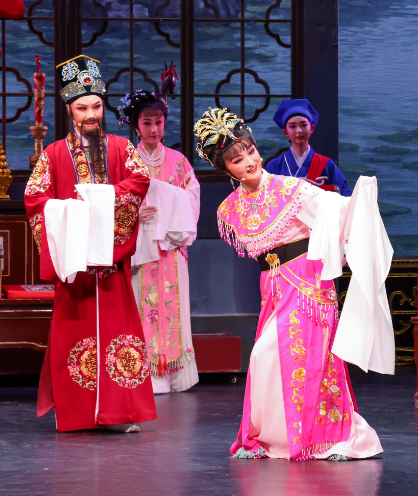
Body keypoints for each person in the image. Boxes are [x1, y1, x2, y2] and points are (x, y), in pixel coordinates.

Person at [195, 107, 393, 460]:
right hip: (273, 287)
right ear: (226, 170)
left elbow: (336, 212)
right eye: (238, 160)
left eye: (250, 152)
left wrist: (361, 200)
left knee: (308, 360)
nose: (250, 162)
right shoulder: (230, 209)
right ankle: (272, 438)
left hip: (307, 284)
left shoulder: (291, 189)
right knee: (267, 357)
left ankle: (335, 438)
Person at [25, 55, 155, 432]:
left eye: (96, 106)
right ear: (70, 109)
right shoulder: (53, 155)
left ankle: (120, 412)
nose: (90, 114)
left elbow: (140, 180)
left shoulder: (121, 148)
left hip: (111, 265)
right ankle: (78, 413)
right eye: (82, 108)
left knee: (119, 332)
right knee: (74, 335)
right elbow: (35, 198)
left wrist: (101, 200)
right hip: (75, 268)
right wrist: (71, 211)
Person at [117, 88, 200, 393]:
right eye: (147, 123)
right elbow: (116, 198)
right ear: (135, 126)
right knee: (142, 305)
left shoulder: (178, 162)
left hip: (170, 246)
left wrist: (170, 207)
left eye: (158, 122)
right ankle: (146, 373)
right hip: (139, 245)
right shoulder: (126, 161)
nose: (154, 129)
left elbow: (192, 198)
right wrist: (134, 211)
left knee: (172, 306)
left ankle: (177, 374)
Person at [264, 99, 351, 196]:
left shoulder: (326, 165)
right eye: (292, 126)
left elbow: (347, 194)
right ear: (285, 132)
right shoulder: (274, 167)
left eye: (304, 125)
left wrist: (336, 190)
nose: (299, 130)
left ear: (312, 128)